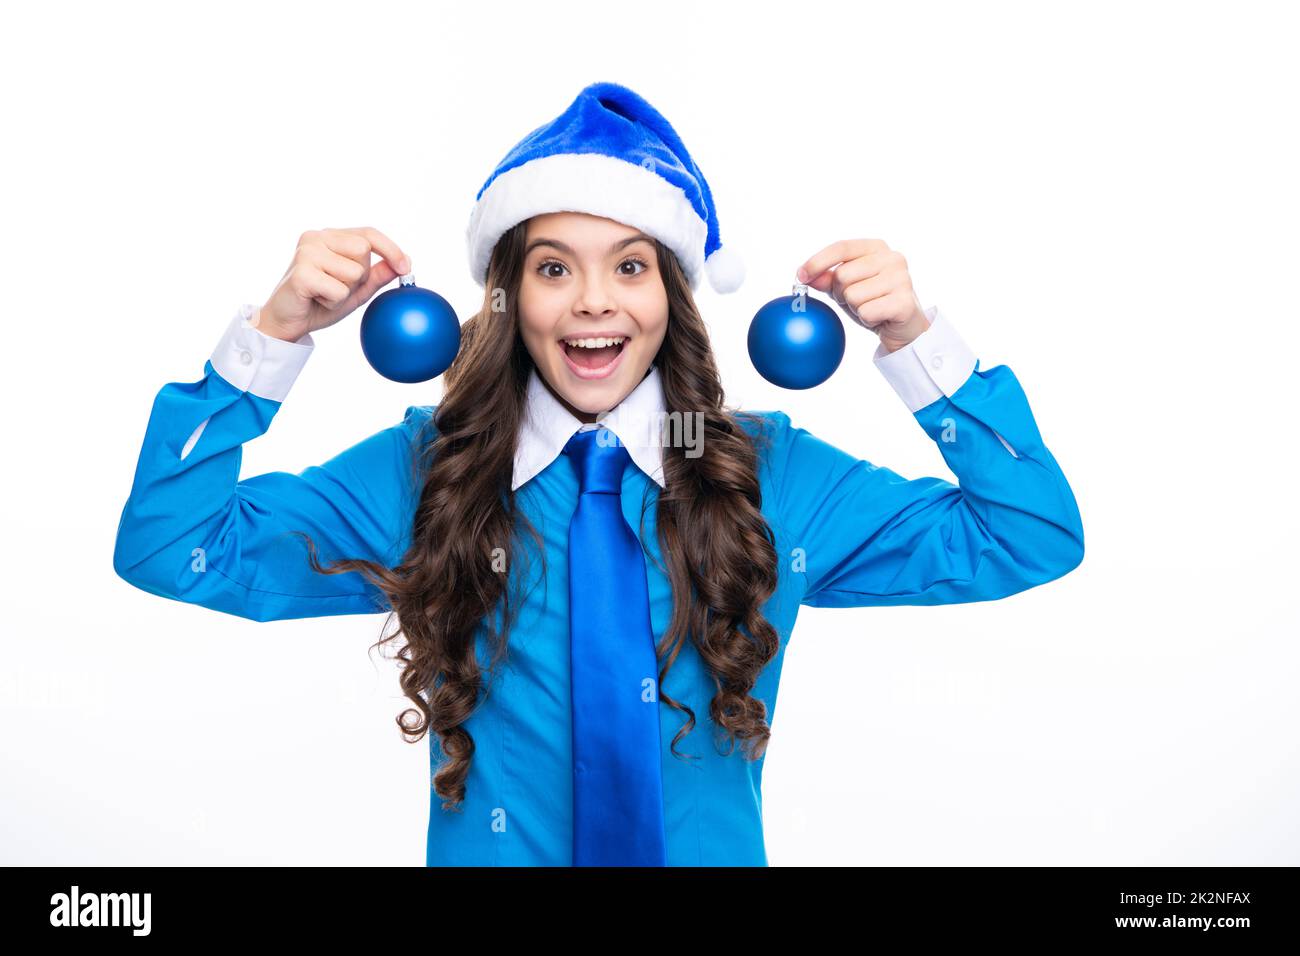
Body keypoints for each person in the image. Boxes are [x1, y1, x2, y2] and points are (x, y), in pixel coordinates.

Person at [113, 81, 1084, 866]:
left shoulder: (762, 468)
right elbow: (173, 547)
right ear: (508, 289)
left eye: (628, 266)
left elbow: (1025, 533)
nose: (591, 304)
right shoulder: (431, 470)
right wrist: (273, 336)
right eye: (552, 268)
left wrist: (917, 343)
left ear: (671, 291)